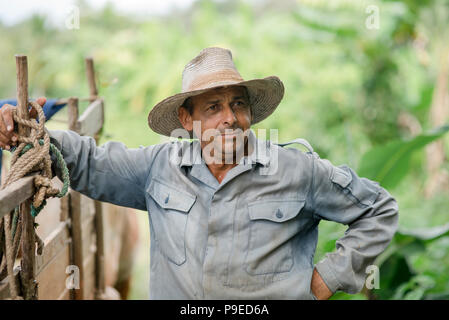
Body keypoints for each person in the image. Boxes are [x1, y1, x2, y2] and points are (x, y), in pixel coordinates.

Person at [0, 47, 398, 300]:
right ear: (187, 120)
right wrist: (32, 131)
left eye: (238, 104)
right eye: (213, 108)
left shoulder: (297, 170)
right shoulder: (159, 168)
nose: (230, 118)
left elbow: (378, 209)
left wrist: (327, 278)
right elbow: (87, 161)